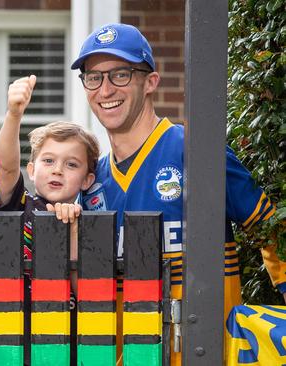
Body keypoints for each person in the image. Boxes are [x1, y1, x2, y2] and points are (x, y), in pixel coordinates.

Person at [71, 23, 279, 365]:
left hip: (206, 353)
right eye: (94, 77)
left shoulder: (195, 150)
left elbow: (271, 229)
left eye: (120, 74)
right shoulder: (92, 181)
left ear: (150, 81)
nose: (105, 89)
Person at [0, 75, 100, 365]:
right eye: (48, 161)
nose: (58, 171)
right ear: (31, 168)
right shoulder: (18, 204)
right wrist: (14, 114)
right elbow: (6, 164)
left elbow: (89, 297)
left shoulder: (90, 224)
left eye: (71, 164)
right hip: (11, 341)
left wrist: (75, 231)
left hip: (67, 344)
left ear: (88, 179)